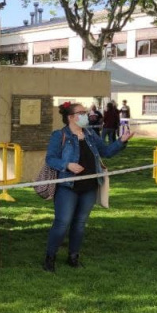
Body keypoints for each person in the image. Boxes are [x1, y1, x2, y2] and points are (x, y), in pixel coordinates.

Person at [42, 102, 133, 272]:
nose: (86, 115)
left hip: (90, 186)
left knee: (80, 223)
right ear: (70, 117)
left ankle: (73, 256)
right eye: (81, 112)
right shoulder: (59, 135)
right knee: (62, 223)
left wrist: (121, 142)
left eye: (85, 112)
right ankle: (50, 256)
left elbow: (106, 152)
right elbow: (50, 159)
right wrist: (67, 165)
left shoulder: (90, 133)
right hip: (67, 186)